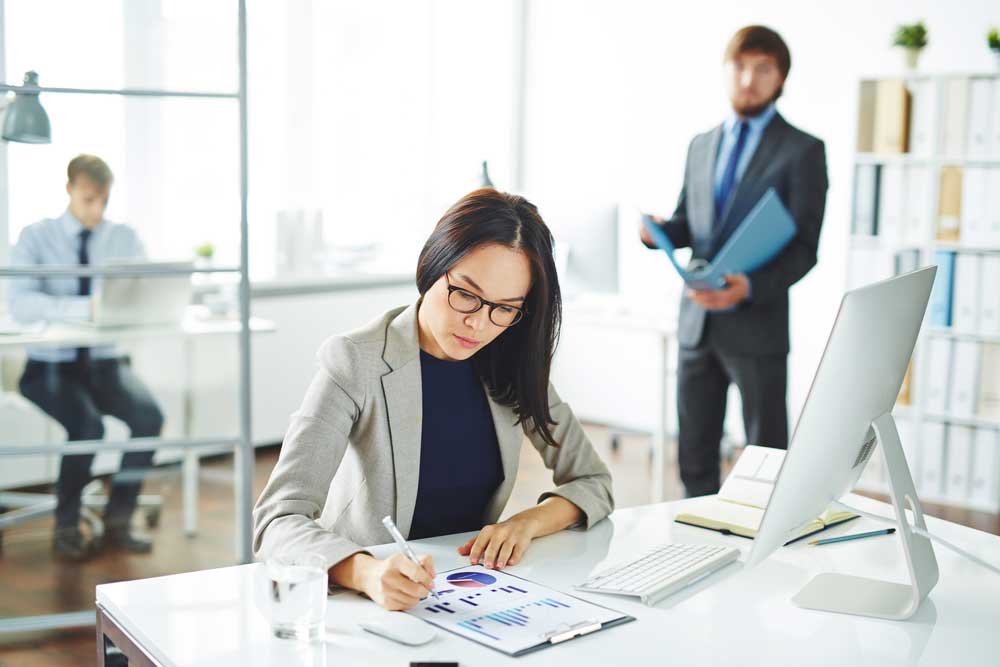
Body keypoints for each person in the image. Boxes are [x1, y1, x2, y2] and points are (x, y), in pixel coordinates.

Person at [253, 188, 614, 611]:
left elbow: (593, 482)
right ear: (433, 266)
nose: (478, 324)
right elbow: (277, 521)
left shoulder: (510, 365)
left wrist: (527, 523)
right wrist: (367, 572)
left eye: (504, 308)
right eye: (465, 294)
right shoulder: (356, 360)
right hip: (365, 602)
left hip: (465, 596)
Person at [640, 26, 828, 497]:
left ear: (781, 77)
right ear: (726, 71)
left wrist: (750, 286)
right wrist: (659, 232)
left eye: (763, 68)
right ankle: (694, 548)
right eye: (740, 66)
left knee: (767, 462)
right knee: (694, 456)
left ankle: (767, 556)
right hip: (697, 321)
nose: (749, 78)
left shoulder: (803, 151)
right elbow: (690, 223)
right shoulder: (701, 144)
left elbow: (805, 248)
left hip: (757, 323)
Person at [9, 154, 163, 560]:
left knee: (149, 418)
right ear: (70, 190)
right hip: (49, 368)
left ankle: (118, 519)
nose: (97, 210)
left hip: (104, 365)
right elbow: (21, 305)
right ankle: (66, 525)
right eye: (89, 199)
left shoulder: (123, 238)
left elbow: (144, 292)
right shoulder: (35, 237)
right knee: (88, 427)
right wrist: (87, 309)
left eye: (104, 200)